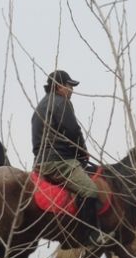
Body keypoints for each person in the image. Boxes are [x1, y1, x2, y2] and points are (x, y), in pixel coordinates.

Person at [31, 69, 101, 247]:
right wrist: (82, 152)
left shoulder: (39, 107)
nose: (72, 90)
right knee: (90, 190)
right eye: (69, 86)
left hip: (40, 162)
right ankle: (88, 236)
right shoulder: (62, 103)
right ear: (59, 86)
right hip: (59, 161)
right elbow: (72, 131)